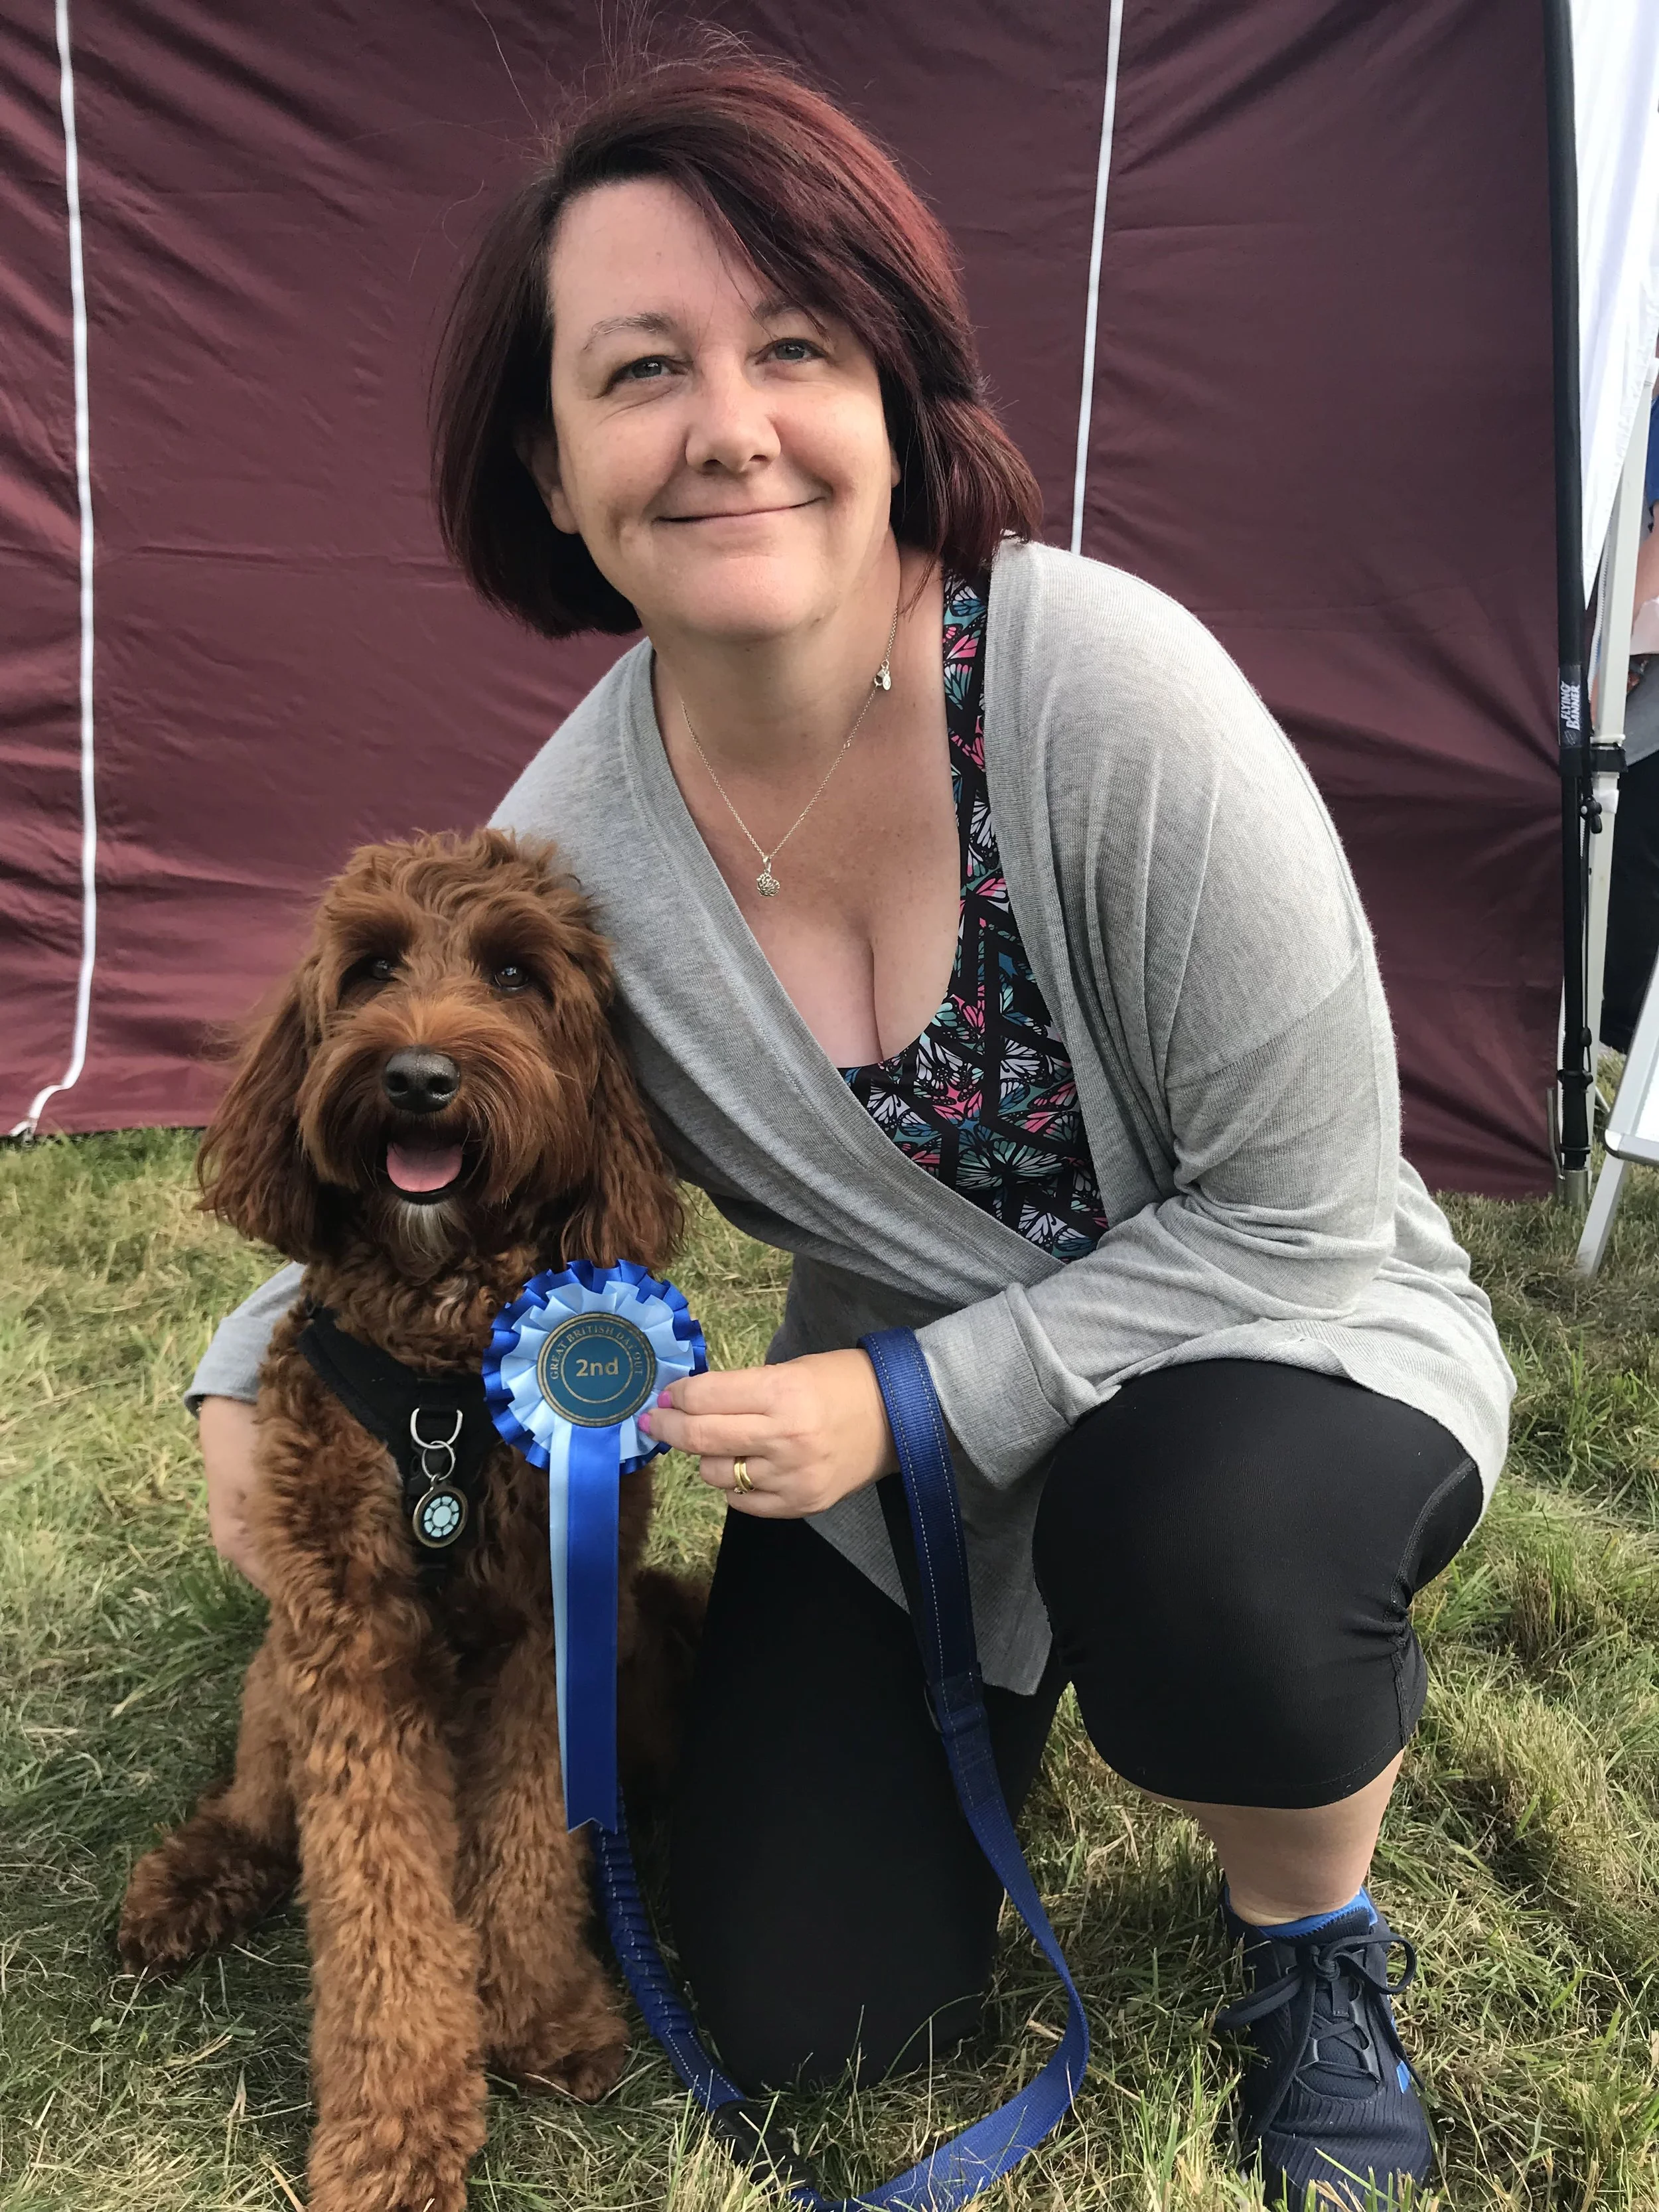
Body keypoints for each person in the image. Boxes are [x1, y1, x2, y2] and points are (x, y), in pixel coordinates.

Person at [188, 49, 1513, 2211]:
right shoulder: (578, 835)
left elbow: (1300, 1215)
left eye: (790, 346)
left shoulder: (1108, 695)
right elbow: (423, 1111)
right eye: (637, 371)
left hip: (1270, 1344)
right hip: (898, 1451)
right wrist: (251, 1365)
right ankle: (1014, 1669)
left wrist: (904, 1395)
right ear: (549, 458)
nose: (723, 423)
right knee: (818, 2010)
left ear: (895, 393)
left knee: (1199, 1549)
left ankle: (1308, 1933)